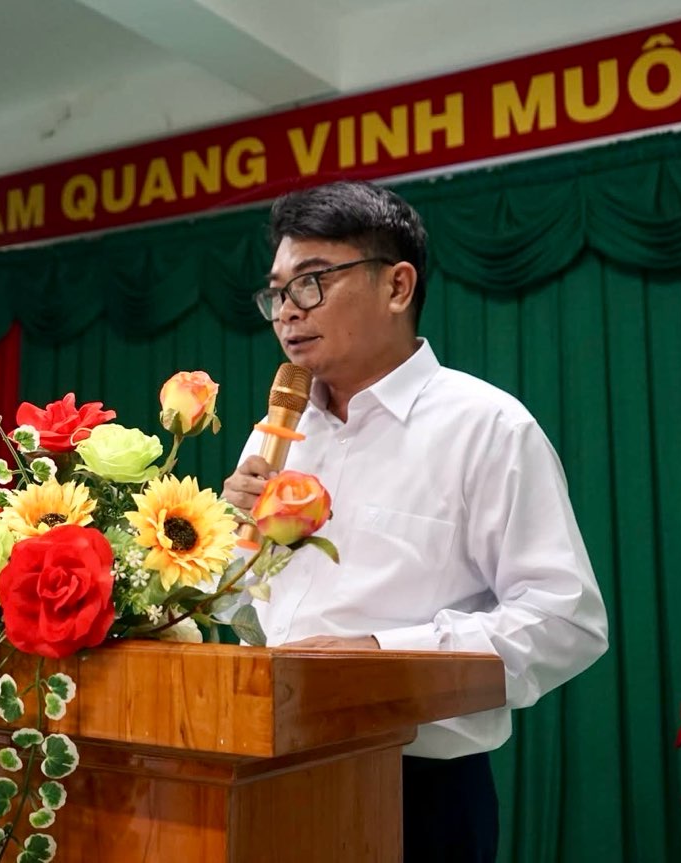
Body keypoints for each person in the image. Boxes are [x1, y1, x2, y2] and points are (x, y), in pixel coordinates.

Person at [221, 181, 608, 863]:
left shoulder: (486, 427)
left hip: (418, 793)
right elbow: (243, 609)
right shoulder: (276, 435)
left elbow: (564, 619)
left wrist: (380, 656)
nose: (287, 312)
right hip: (269, 769)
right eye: (277, 293)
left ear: (397, 285)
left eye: (311, 282)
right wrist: (226, 539)